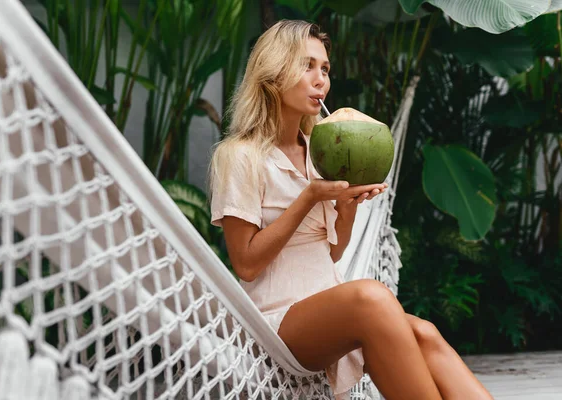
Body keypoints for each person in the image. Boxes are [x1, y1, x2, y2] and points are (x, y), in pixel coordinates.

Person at [208, 19, 493, 400]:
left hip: (328, 305)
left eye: (324, 69)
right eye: (306, 66)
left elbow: (334, 251)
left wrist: (347, 206)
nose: (320, 79)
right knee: (372, 297)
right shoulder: (240, 156)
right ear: (272, 72)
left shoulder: (323, 151)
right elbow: (245, 263)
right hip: (274, 321)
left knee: (422, 331)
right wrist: (309, 197)